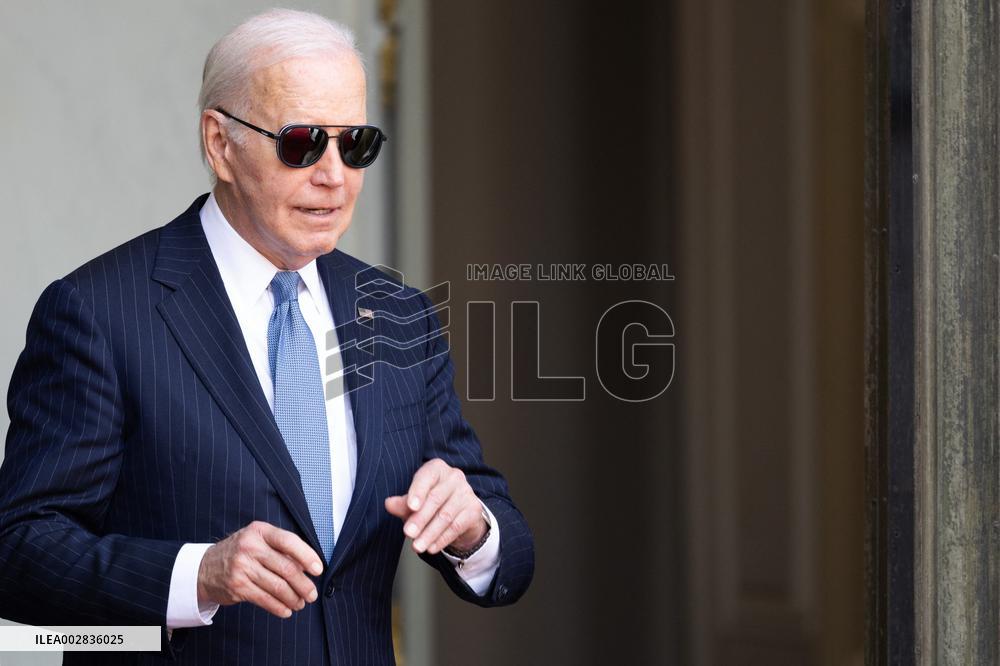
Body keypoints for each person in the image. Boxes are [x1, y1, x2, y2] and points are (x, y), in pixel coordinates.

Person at [0, 8, 533, 664]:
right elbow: (20, 550)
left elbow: (506, 544)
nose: (334, 175)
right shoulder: (98, 314)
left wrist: (471, 528)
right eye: (303, 143)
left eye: (356, 144)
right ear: (220, 144)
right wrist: (198, 574)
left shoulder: (398, 314)